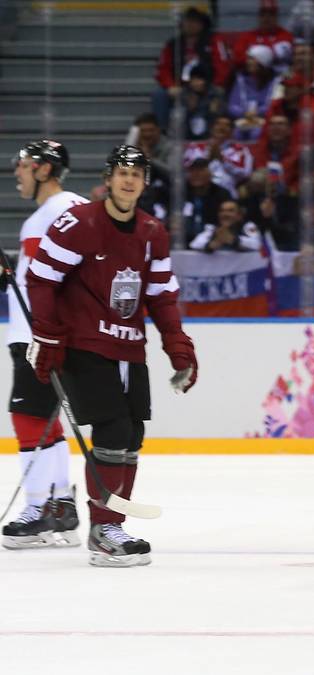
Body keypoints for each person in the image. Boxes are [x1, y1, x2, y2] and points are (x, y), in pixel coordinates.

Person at [25, 145, 198, 567]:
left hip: (129, 347)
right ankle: (103, 530)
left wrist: (178, 347)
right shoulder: (78, 223)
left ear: (144, 183)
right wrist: (47, 335)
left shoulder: (152, 231)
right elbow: (41, 278)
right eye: (122, 172)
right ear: (108, 177)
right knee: (113, 432)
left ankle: (113, 524)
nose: (128, 180)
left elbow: (161, 295)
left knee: (131, 438)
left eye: (136, 175)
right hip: (85, 345)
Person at [2, 141, 87, 550]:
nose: (16, 172)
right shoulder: (65, 210)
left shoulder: (51, 215)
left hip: (38, 335)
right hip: (42, 333)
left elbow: (57, 282)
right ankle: (61, 507)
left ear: (43, 169)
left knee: (27, 418)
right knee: (43, 420)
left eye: (22, 165)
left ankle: (37, 508)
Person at [189, 199, 263, 252]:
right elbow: (194, 244)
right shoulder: (212, 229)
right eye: (222, 211)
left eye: (230, 211)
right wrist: (211, 245)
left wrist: (234, 240)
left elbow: (258, 245)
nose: (225, 214)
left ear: (239, 215)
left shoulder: (247, 226)